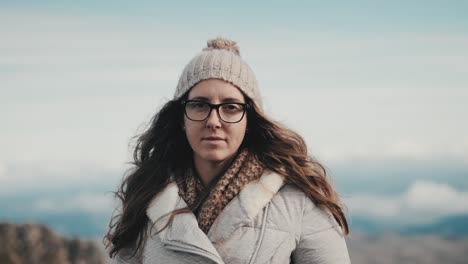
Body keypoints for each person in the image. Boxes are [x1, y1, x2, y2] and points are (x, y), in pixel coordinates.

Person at [104, 37, 351, 264]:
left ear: (249, 119)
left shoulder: (298, 200)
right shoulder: (147, 194)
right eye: (200, 105)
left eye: (231, 107)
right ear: (182, 117)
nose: (214, 120)